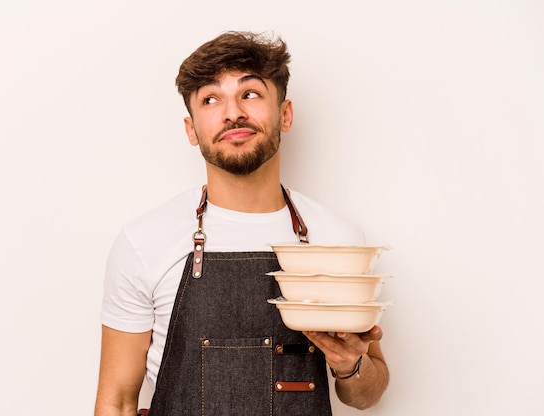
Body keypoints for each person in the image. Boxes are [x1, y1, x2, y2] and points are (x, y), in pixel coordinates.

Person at [94, 31, 389, 416]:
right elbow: (116, 400)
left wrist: (351, 365)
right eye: (211, 99)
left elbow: (366, 394)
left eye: (250, 94)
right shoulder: (144, 241)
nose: (232, 112)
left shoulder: (338, 240)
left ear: (285, 114)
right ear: (191, 128)